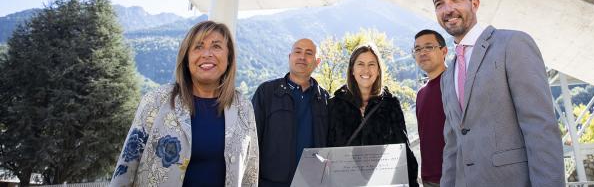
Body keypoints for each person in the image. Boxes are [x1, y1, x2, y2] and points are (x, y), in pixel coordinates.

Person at [432, 0, 564, 187]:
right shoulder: (447, 76)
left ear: (474, 3)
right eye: (439, 4)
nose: (448, 9)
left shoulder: (512, 44)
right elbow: (453, 147)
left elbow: (540, 128)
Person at [110, 20, 259, 187]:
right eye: (198, 47)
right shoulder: (156, 101)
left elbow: (250, 171)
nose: (207, 54)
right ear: (187, 58)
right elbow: (126, 166)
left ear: (229, 58)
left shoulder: (243, 107)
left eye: (216, 46)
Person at [327, 45, 418, 187]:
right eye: (360, 64)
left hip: (383, 183)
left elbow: (403, 150)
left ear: (378, 70)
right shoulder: (334, 105)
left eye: (371, 64)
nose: (366, 70)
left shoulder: (390, 104)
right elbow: (326, 150)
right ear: (352, 70)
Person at [251, 39, 329, 187]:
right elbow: (252, 142)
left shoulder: (324, 98)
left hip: (310, 183)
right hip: (270, 183)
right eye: (297, 51)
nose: (302, 57)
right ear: (290, 57)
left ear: (317, 62)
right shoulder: (266, 92)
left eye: (309, 53)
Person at [413, 29, 448, 187]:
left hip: (457, 175)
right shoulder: (421, 94)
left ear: (444, 51)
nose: (422, 52)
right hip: (429, 179)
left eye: (429, 47)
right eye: (418, 49)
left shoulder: (456, 84)